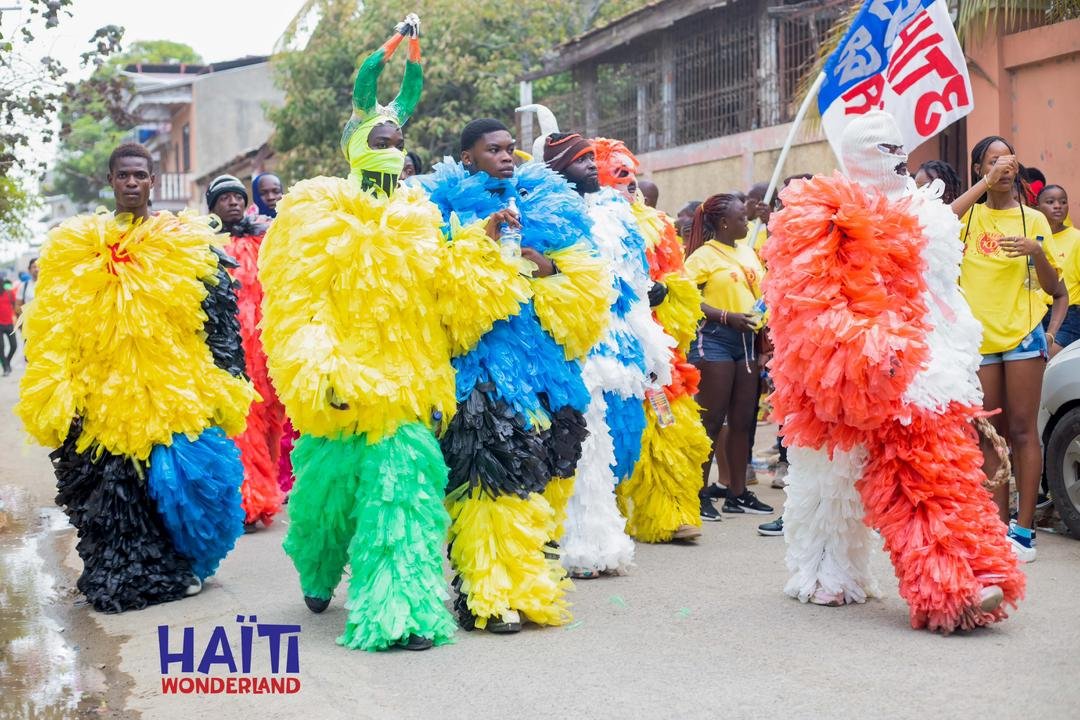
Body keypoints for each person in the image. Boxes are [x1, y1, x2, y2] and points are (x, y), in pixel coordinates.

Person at [260, 15, 525, 652]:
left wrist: (482, 243)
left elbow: (444, 289)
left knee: (401, 490)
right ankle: (320, 568)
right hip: (342, 379)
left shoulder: (418, 215)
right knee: (327, 498)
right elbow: (296, 303)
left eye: (398, 137)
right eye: (379, 136)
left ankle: (398, 611)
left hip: (405, 384)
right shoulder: (316, 210)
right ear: (354, 145)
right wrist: (319, 371)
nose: (391, 145)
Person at [765, 111, 1024, 632]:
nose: (900, 161)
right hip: (846, 366)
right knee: (828, 478)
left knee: (928, 468)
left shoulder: (924, 210)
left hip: (918, 365)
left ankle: (963, 578)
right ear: (858, 155)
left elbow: (942, 295)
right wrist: (858, 350)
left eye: (901, 149)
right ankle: (824, 573)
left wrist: (948, 355)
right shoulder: (824, 210)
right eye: (885, 150)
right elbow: (804, 298)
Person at [15, 142, 254, 613]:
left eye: (139, 175)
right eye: (122, 175)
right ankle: (139, 573)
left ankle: (182, 563)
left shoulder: (182, 241)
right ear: (110, 182)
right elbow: (53, 324)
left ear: (152, 180)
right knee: (116, 492)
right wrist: (57, 388)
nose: (130, 183)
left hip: (174, 387)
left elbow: (218, 316)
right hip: (104, 393)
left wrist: (227, 376)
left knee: (188, 486)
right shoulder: (77, 247)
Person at [415, 117, 607, 631]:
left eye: (510, 148)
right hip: (479, 365)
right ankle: (485, 596)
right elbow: (435, 284)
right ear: (468, 157)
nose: (505, 155)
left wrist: (546, 267)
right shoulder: (440, 208)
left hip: (542, 365)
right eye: (492, 149)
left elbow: (584, 277)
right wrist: (482, 239)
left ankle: (522, 587)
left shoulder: (543, 202)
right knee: (486, 477)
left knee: (536, 477)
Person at [533, 121, 676, 578]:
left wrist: (648, 326)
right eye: (580, 160)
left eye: (591, 158)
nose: (591, 167)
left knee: (619, 439)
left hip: (620, 342)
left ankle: (598, 534)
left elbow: (632, 280)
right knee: (585, 440)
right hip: (576, 342)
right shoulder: (547, 211)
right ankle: (583, 544)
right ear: (557, 168)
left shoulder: (616, 212)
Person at [593, 137, 711, 544]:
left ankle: (671, 512)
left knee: (668, 425)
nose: (629, 180)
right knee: (607, 430)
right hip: (608, 345)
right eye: (618, 171)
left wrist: (666, 294)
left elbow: (678, 278)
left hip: (657, 345)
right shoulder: (588, 221)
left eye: (632, 173)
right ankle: (604, 516)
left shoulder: (657, 224)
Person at [956, 136, 1065, 562]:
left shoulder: (1034, 219)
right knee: (990, 436)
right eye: (993, 159)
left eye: (1008, 159)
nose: (1004, 166)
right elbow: (941, 219)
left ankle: (1023, 529)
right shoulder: (969, 217)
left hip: (1021, 336)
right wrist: (984, 184)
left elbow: (1055, 288)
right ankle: (995, 527)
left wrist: (1037, 250)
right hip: (979, 340)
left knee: (1022, 431)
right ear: (980, 167)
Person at [683, 194, 773, 521]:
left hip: (747, 339)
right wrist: (724, 316)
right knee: (711, 419)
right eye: (740, 219)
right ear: (723, 223)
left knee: (742, 420)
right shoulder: (702, 257)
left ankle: (737, 493)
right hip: (715, 339)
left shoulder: (748, 251)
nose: (746, 223)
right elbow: (685, 297)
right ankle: (698, 493)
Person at [207, 174, 285, 532]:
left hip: (270, 345)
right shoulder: (208, 245)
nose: (233, 203)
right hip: (232, 347)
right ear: (213, 207)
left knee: (272, 421)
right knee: (245, 424)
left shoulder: (266, 236)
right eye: (224, 199)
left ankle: (266, 489)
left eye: (238, 196)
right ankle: (250, 501)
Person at [1037, 185, 1080, 354]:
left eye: (1063, 202)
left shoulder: (1076, 238)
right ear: (1037, 207)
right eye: (1050, 202)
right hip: (1035, 315)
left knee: (1044, 357)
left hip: (1069, 316)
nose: (1058, 206)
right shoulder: (1034, 238)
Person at [0, 277, 16, 376]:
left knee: (14, 345)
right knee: (1, 347)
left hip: (9, 323)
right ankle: (6, 368)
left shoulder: (10, 293)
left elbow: (14, 305)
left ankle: (7, 362)